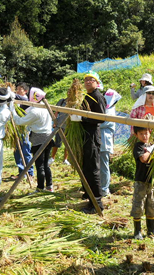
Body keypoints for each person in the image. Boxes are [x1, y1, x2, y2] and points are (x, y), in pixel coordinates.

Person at [70, 71, 106, 214]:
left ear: (97, 83)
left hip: (92, 137)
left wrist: (82, 119)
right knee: (86, 168)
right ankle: (88, 195)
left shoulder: (97, 96)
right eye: (86, 80)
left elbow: (102, 118)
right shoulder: (88, 96)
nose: (88, 82)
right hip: (85, 136)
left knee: (92, 170)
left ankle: (96, 203)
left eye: (91, 80)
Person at [10, 88, 54, 192]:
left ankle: (40, 188)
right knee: (45, 164)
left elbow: (19, 121)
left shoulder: (35, 111)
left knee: (40, 165)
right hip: (48, 136)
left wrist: (12, 108)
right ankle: (49, 186)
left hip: (39, 138)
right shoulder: (45, 107)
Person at [131, 126, 154, 240]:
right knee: (138, 205)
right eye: (141, 134)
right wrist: (152, 149)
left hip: (151, 181)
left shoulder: (152, 146)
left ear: (150, 133)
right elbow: (144, 159)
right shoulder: (138, 147)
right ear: (136, 135)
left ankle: (151, 230)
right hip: (141, 181)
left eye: (146, 133)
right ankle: (137, 231)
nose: (145, 136)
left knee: (151, 205)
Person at [100, 89, 122, 197]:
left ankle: (104, 189)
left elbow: (103, 123)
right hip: (101, 139)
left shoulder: (109, 110)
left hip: (105, 139)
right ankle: (101, 187)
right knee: (100, 165)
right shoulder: (106, 108)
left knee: (104, 165)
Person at [11, 82, 34, 180]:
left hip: (24, 128)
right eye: (17, 88)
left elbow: (12, 96)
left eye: (20, 89)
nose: (17, 90)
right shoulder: (17, 100)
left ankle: (30, 173)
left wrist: (8, 91)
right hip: (16, 127)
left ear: (25, 91)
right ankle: (21, 173)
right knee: (17, 150)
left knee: (25, 150)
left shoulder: (25, 100)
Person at [48, 95, 70, 166]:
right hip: (60, 125)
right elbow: (56, 112)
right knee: (57, 142)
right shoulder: (62, 101)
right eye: (69, 92)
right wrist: (54, 121)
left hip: (69, 126)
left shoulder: (75, 102)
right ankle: (52, 158)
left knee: (67, 144)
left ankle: (65, 159)